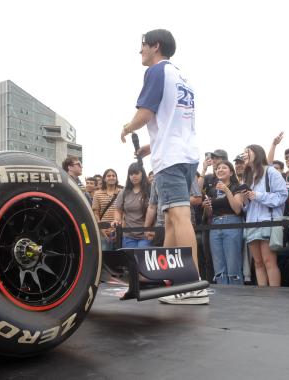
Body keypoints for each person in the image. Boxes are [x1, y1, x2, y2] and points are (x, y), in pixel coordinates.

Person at [121, 29, 208, 305]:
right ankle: (168, 279)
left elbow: (145, 113)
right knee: (170, 218)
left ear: (155, 46)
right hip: (184, 154)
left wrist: (127, 127)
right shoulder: (182, 76)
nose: (140, 51)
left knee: (180, 217)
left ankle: (191, 284)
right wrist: (151, 146)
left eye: (143, 46)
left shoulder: (156, 71)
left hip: (170, 158)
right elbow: (174, 120)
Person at [242, 144, 288, 287]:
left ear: (257, 153)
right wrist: (245, 199)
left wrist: (257, 195)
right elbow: (246, 207)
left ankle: (274, 296)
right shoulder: (247, 176)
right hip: (251, 222)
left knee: (269, 262)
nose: (244, 155)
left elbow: (282, 196)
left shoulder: (271, 172)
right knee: (258, 262)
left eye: (247, 152)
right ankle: (262, 296)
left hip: (268, 220)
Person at [203, 161, 244, 285]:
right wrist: (206, 207)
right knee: (218, 264)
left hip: (232, 223)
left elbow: (237, 209)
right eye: (218, 168)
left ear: (231, 172)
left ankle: (237, 294)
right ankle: (223, 295)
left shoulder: (236, 187)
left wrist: (227, 191)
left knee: (233, 263)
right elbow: (209, 214)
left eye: (224, 167)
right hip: (215, 224)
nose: (220, 170)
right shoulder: (212, 190)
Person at [112, 162, 151, 248]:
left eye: (136, 173)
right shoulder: (124, 192)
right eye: (131, 174)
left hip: (146, 234)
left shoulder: (150, 190)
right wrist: (117, 219)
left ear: (142, 174)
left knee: (142, 260)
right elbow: (118, 210)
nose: (134, 176)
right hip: (128, 235)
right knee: (130, 260)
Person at [92, 169, 121, 250]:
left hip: (119, 230)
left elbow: (124, 213)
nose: (111, 177)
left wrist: (118, 230)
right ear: (104, 179)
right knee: (105, 256)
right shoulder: (97, 193)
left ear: (116, 178)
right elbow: (95, 213)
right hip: (103, 231)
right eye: (108, 176)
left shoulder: (122, 192)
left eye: (113, 175)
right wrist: (102, 229)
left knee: (120, 257)